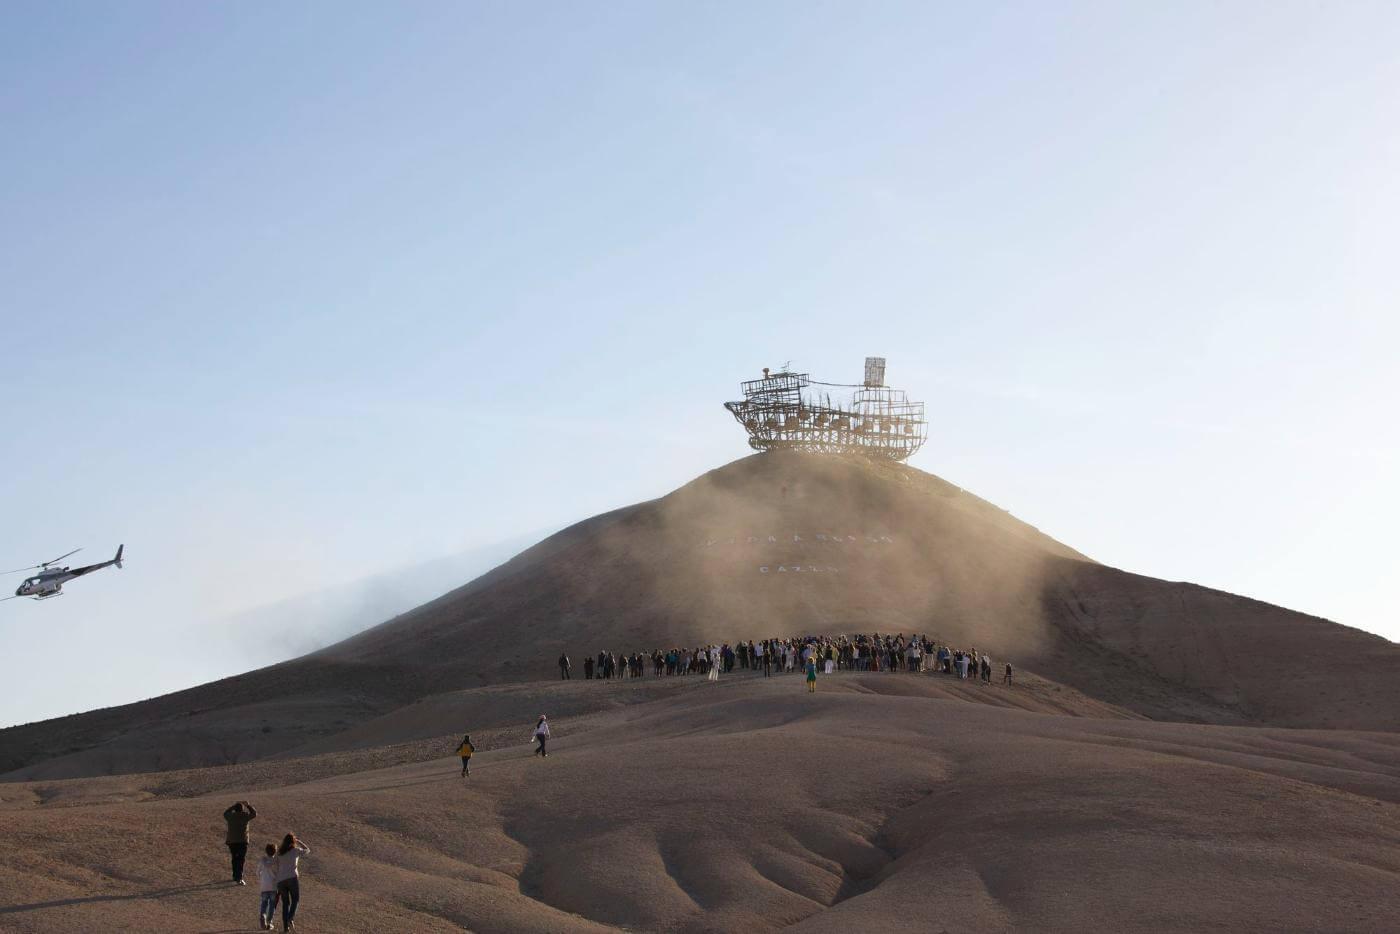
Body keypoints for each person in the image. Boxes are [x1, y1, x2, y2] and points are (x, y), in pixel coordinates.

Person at [274, 833, 310, 932]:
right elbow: (307, 850)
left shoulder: (279, 853)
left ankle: (286, 928)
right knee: (295, 899)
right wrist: (298, 842)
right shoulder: (295, 850)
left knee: (285, 904)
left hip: (281, 881)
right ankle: (290, 918)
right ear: (293, 842)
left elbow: (275, 866)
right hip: (292, 878)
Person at [222, 800, 257, 885]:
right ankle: (239, 877)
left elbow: (225, 813)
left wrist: (233, 806)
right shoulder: (245, 816)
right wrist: (248, 805)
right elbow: (254, 814)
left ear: (235, 809)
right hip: (242, 841)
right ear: (242, 809)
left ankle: (235, 875)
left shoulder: (231, 816)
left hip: (232, 841)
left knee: (234, 858)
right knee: (241, 859)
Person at [257, 843, 280, 930]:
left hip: (264, 886)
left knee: (264, 904)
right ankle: (269, 922)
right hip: (273, 886)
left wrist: (261, 878)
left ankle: (263, 915)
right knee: (272, 905)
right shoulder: (277, 861)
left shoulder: (262, 860)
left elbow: (257, 872)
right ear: (275, 851)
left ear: (266, 851)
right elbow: (279, 873)